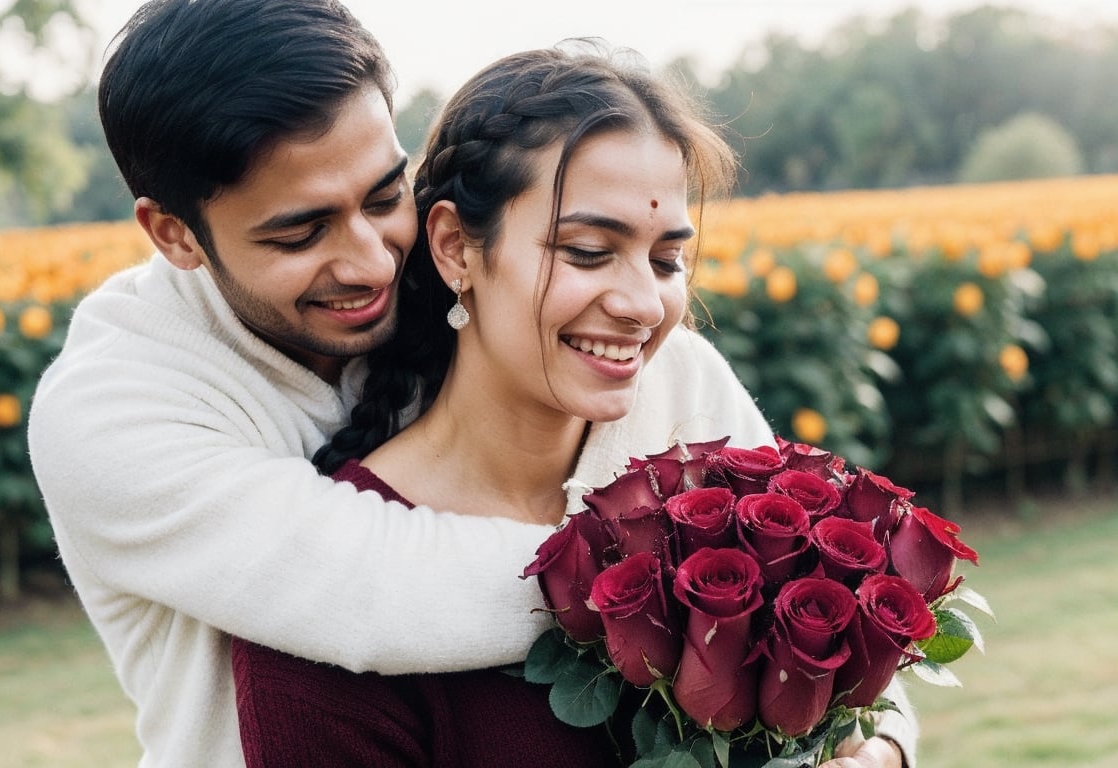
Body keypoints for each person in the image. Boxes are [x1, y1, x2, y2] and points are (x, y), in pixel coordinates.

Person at [231, 44, 917, 768]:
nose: (644, 306)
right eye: (588, 251)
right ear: (457, 248)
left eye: (665, 260)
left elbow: (854, 699)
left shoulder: (708, 475)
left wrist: (882, 753)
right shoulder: (321, 608)